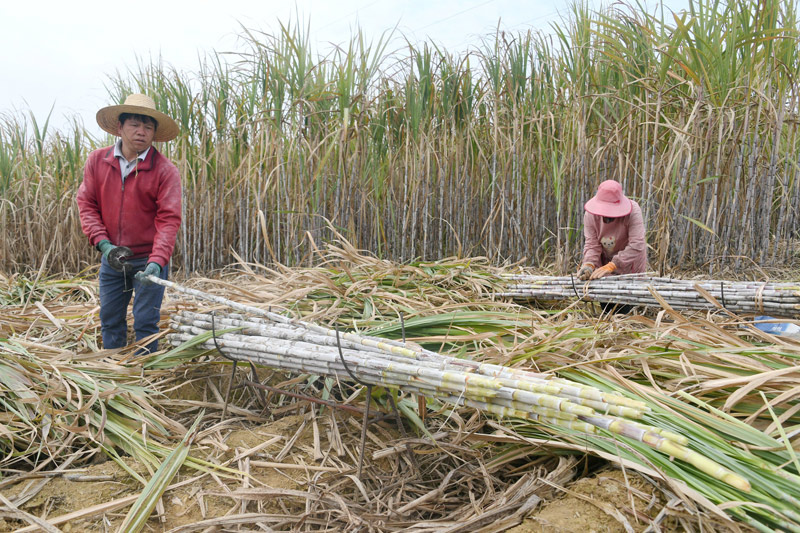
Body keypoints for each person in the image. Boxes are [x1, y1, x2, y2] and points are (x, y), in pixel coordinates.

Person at [77, 94, 182, 353]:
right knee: (110, 319)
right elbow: (87, 205)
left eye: (148, 127)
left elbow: (168, 220)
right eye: (135, 124)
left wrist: (156, 263)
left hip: (148, 259)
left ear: (154, 133)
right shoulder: (97, 161)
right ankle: (115, 373)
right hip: (112, 256)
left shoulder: (165, 171)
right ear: (119, 127)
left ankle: (145, 379)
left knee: (146, 323)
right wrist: (104, 245)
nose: (141, 132)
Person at [576, 179, 647, 281]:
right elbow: (592, 245)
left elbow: (637, 244)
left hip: (630, 262)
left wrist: (614, 264)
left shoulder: (633, 212)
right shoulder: (590, 215)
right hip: (604, 262)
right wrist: (589, 264)